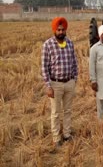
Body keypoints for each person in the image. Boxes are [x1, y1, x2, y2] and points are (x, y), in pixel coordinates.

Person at [41, 17, 78, 148]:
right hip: (55, 84)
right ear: (54, 30)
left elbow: (74, 62)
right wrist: (48, 86)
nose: (61, 32)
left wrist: (74, 79)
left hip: (69, 82)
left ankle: (67, 135)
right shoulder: (48, 45)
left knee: (68, 110)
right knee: (56, 113)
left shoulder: (70, 43)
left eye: (63, 29)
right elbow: (44, 67)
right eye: (58, 29)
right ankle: (56, 138)